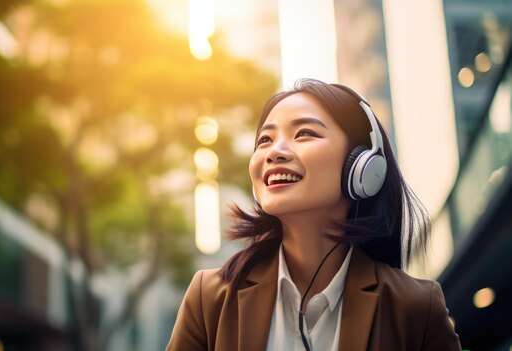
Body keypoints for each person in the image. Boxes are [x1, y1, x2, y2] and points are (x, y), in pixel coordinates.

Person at [167, 78, 461, 351]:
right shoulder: (210, 298)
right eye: (265, 140)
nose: (274, 152)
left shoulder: (416, 307)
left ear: (361, 165)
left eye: (304, 133)